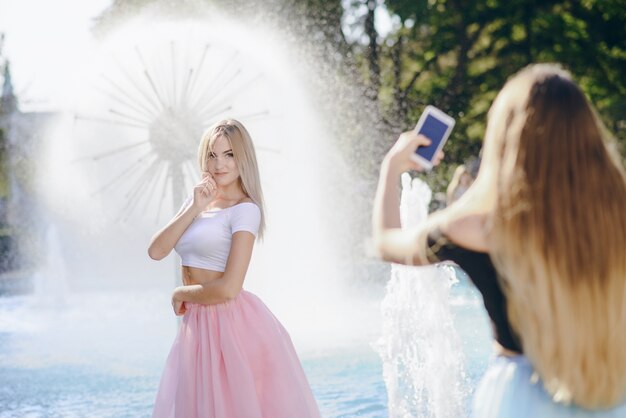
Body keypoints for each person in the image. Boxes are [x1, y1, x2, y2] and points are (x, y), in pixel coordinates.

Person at [372, 64, 626, 416]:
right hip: (609, 393)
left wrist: (392, 167)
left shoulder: (475, 228)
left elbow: (386, 242)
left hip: (518, 402)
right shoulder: (616, 221)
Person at [148, 119, 321, 418]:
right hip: (198, 326)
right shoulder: (199, 200)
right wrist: (194, 208)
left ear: (243, 159)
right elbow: (157, 250)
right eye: (212, 155)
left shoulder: (245, 210)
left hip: (229, 326)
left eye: (229, 155)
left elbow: (230, 288)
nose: (219, 164)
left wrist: (180, 293)